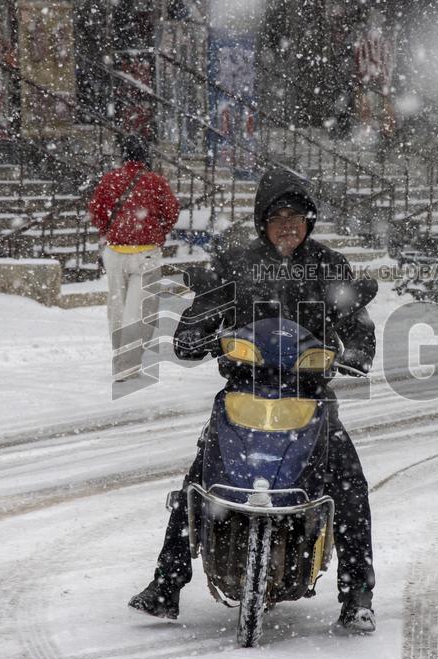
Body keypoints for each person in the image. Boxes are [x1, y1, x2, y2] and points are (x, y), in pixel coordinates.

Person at [127, 168, 378, 632]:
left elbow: (357, 322)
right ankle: (166, 583)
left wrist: (356, 352)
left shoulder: (330, 266)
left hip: (311, 394)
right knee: (198, 480)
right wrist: (195, 334)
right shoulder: (236, 265)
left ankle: (357, 594)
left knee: (348, 484)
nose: (288, 225)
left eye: (297, 216)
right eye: (278, 215)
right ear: (263, 220)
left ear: (310, 221)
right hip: (244, 388)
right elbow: (201, 315)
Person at [89, 136, 179, 381]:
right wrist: (157, 230)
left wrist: (111, 230)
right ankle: (129, 363)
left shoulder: (110, 179)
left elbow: (96, 211)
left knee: (117, 309)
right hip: (146, 252)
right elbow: (171, 212)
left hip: (115, 252)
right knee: (140, 311)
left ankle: (121, 358)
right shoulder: (156, 182)